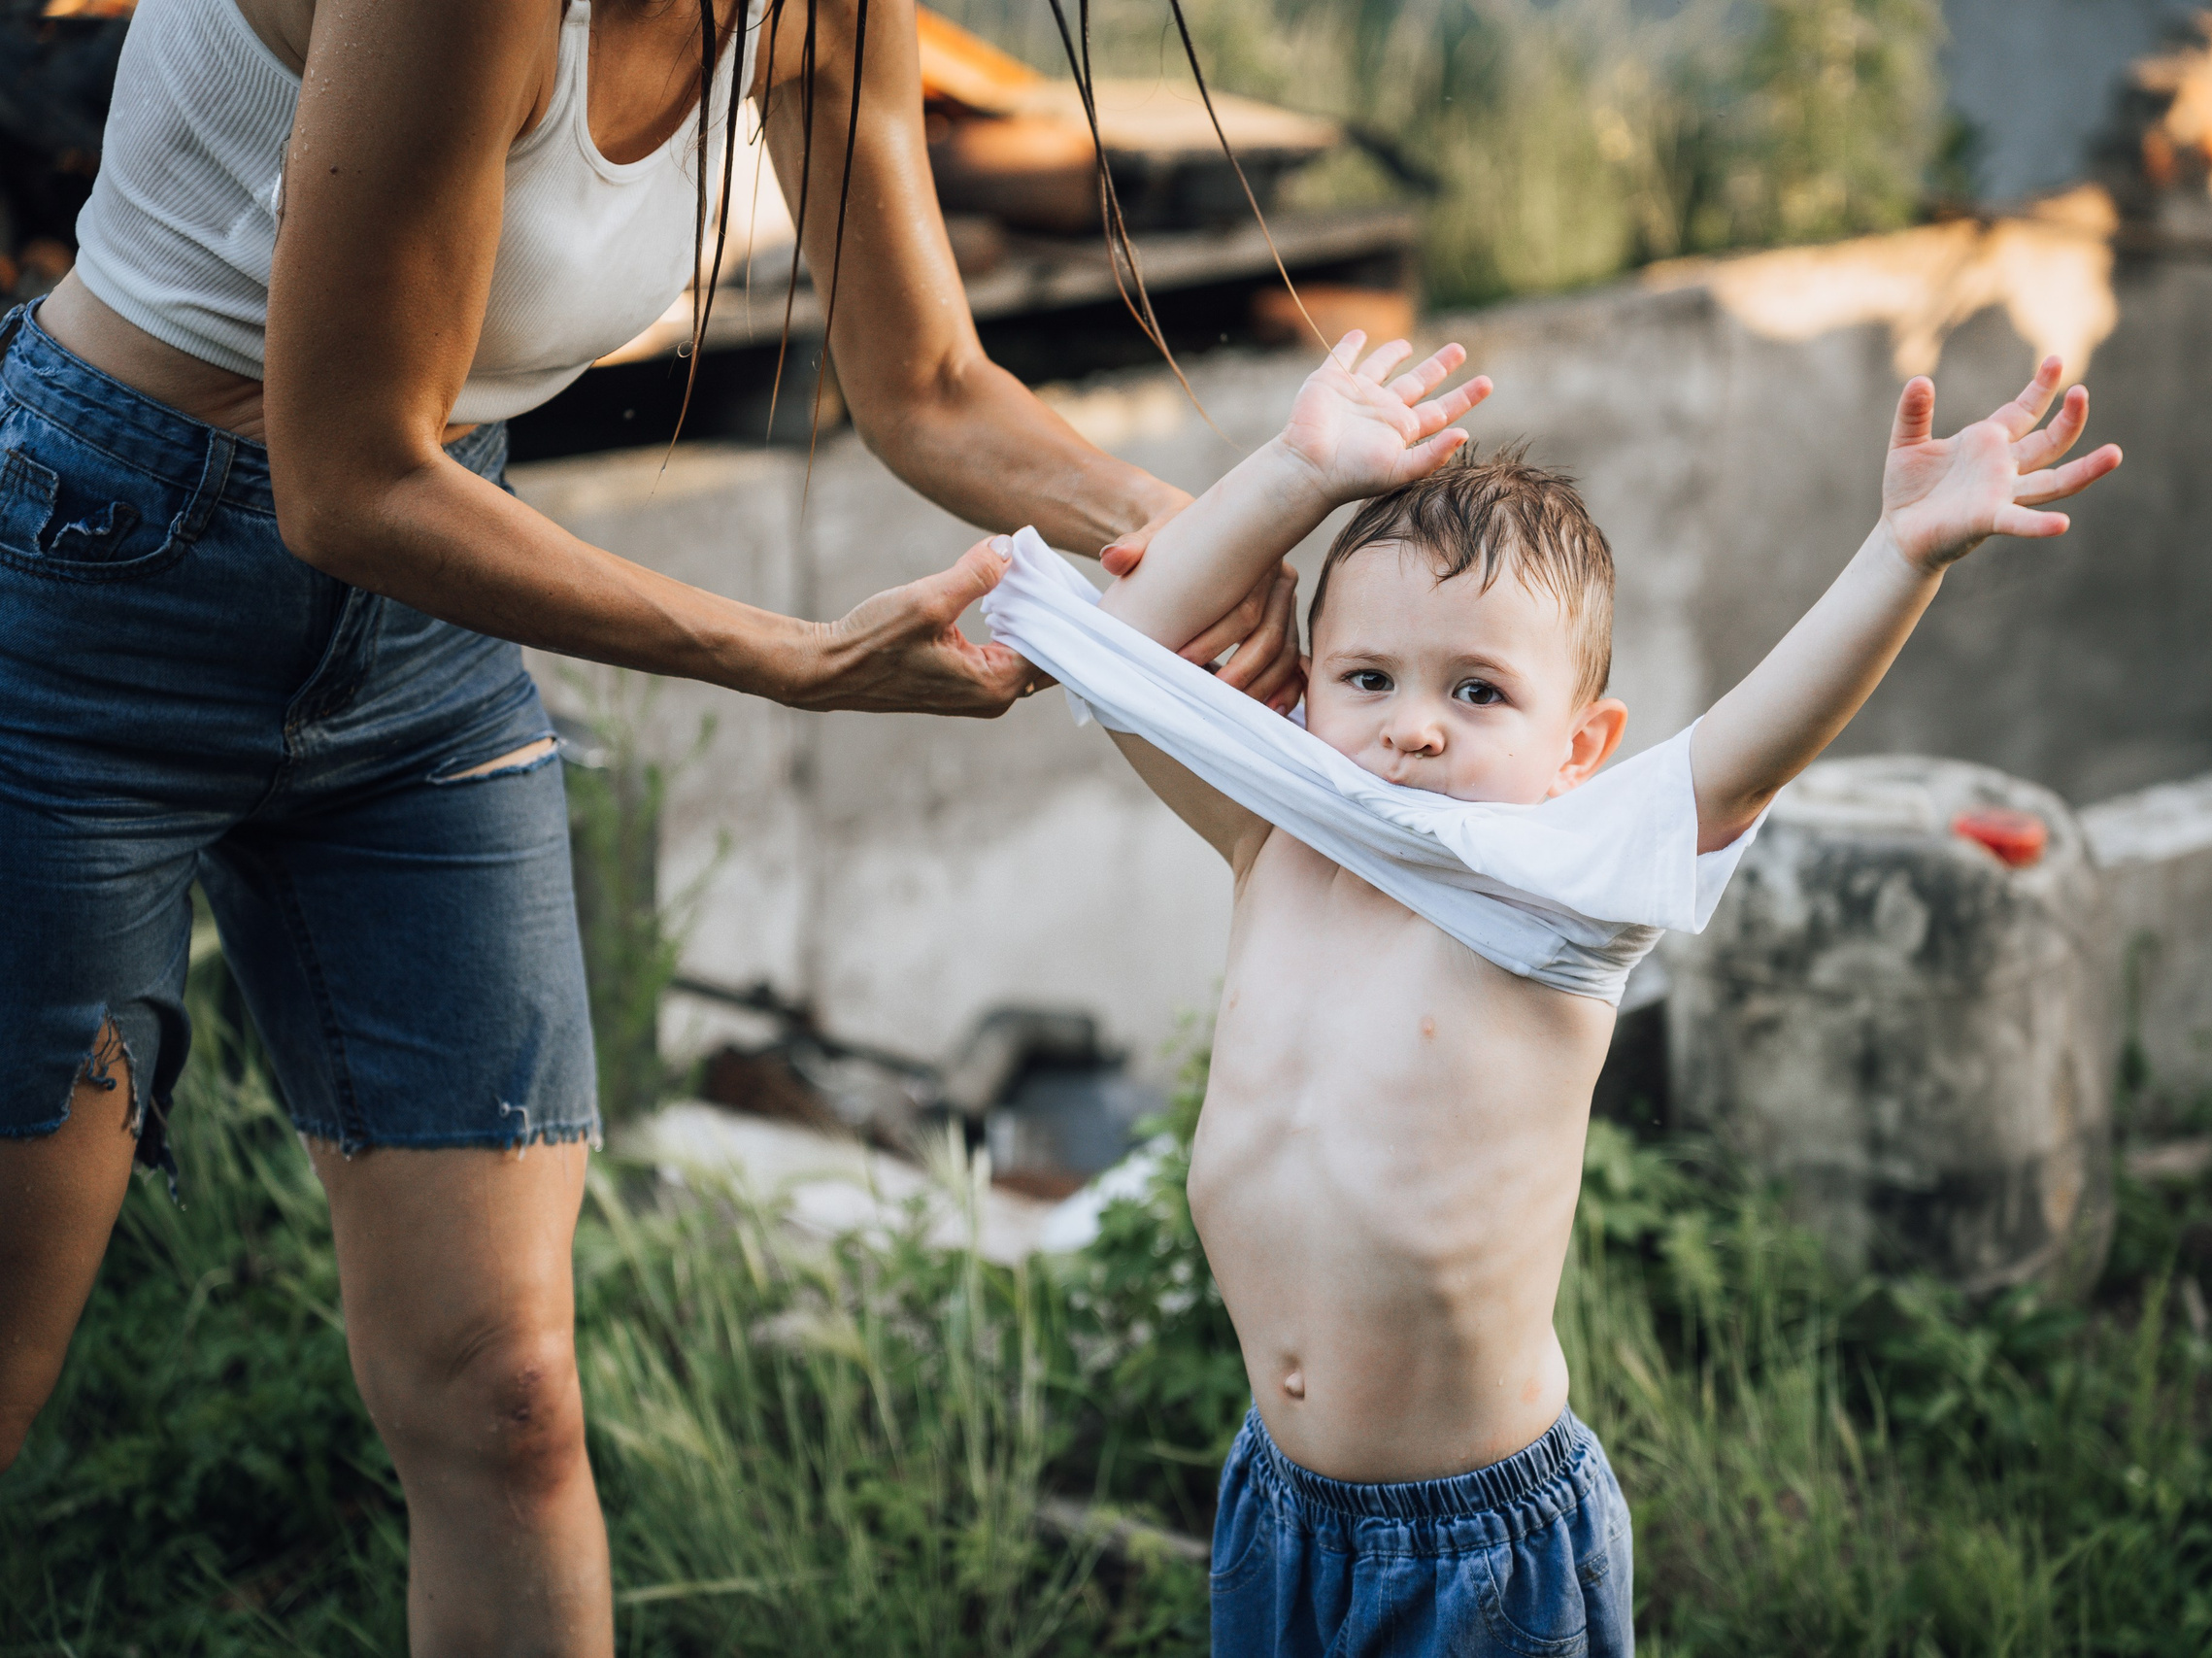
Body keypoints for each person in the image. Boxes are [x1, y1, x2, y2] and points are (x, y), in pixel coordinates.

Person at [0, 0, 1298, 1649]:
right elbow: (343, 476)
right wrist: (797, 657)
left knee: (510, 1398)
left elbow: (929, 381)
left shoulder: (824, 10)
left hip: (425, 614)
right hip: (97, 581)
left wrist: (1193, 529)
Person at [983, 332, 2121, 1653]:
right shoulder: (1275, 840)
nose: (1414, 725)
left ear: (1581, 749)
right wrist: (1298, 471)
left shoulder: (1556, 898)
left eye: (1477, 690)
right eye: (1369, 679)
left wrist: (1901, 555)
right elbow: (1125, 661)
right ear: (1307, 690)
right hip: (1280, 1501)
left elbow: (1745, 762)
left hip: (1474, 1544)